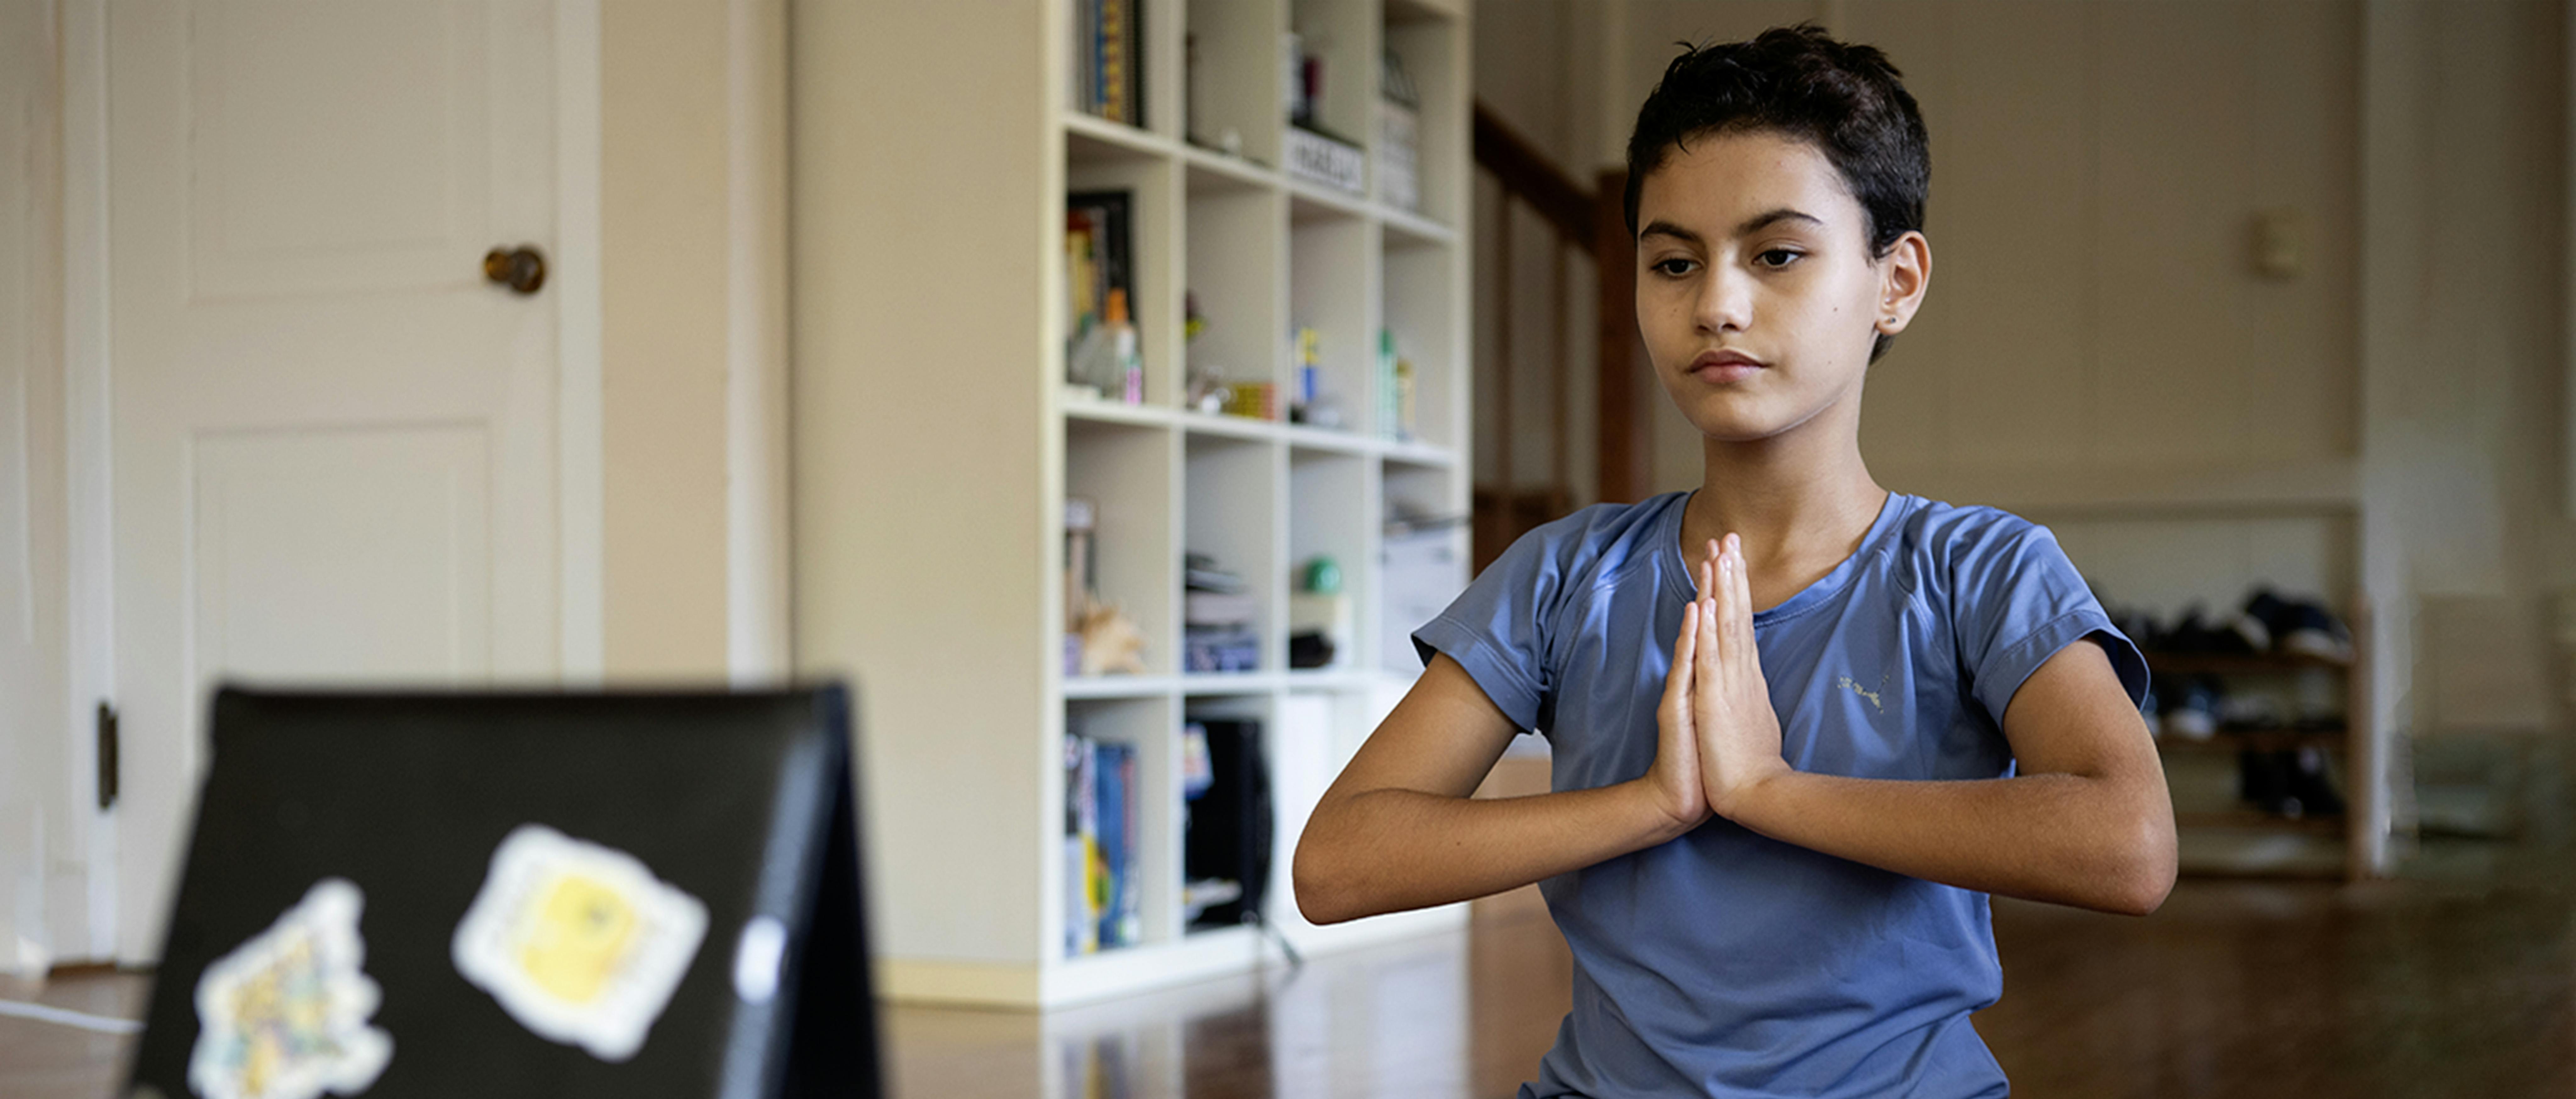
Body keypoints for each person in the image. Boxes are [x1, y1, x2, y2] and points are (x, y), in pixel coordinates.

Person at [1291, 24, 2177, 1099]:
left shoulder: (1981, 572)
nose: (1716, 302)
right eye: (1674, 262)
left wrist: (1769, 789)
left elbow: (2129, 846)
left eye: (1777, 254)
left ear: (1895, 282)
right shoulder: (1566, 573)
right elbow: (1337, 864)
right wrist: (1652, 804)